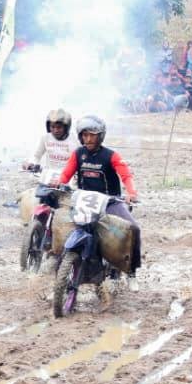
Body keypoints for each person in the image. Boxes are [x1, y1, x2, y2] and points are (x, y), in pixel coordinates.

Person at [56, 115, 141, 287]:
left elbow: (126, 175)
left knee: (134, 229)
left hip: (110, 202)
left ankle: (131, 271)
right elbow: (66, 174)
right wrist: (58, 183)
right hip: (83, 202)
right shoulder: (78, 154)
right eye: (85, 135)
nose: (88, 139)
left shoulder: (111, 156)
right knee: (58, 225)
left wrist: (131, 193)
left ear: (100, 136)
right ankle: (56, 266)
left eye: (92, 135)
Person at [22, 108, 74, 179]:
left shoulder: (74, 140)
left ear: (66, 127)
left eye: (59, 127)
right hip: (49, 176)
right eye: (52, 127)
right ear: (48, 127)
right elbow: (36, 156)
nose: (55, 130)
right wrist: (31, 163)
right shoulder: (45, 138)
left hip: (66, 176)